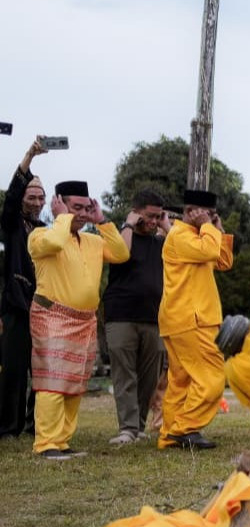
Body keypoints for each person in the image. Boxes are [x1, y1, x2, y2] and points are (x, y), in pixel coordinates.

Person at [28, 181, 129, 458]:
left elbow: (121, 254)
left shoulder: (94, 241)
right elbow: (55, 242)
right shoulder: (40, 235)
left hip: (85, 320)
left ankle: (62, 441)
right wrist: (62, 217)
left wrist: (102, 221)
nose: (83, 214)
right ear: (59, 204)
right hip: (52, 316)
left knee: (74, 384)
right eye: (77, 207)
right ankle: (46, 443)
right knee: (52, 382)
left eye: (87, 208)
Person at [158, 189, 234, 449]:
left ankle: (169, 434)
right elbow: (210, 251)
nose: (210, 219)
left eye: (213, 215)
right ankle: (184, 428)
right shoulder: (180, 236)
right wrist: (208, 227)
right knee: (213, 379)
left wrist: (216, 227)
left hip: (187, 319)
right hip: (191, 319)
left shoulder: (199, 236)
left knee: (180, 381)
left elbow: (224, 261)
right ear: (190, 212)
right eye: (207, 214)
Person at [103, 190, 169, 445]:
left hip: (154, 317)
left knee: (150, 377)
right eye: (150, 216)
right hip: (121, 315)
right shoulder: (122, 236)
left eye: (158, 216)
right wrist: (129, 224)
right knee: (125, 373)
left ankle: (138, 425)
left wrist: (166, 225)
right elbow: (121, 253)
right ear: (136, 212)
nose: (154, 221)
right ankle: (127, 428)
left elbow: (182, 250)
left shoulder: (160, 242)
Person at [1, 137, 47, 439]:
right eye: (31, 196)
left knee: (41, 370)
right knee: (14, 370)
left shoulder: (44, 231)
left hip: (43, 307)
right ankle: (9, 426)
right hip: (16, 306)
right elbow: (12, 194)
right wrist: (30, 155)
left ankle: (36, 424)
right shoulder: (11, 224)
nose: (36, 202)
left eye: (41, 197)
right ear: (21, 199)